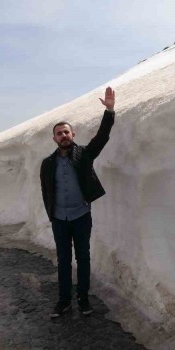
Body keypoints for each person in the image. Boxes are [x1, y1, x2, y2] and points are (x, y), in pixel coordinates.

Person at [40, 86, 116, 317]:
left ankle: (83, 298)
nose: (63, 135)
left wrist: (109, 111)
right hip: (60, 219)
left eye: (67, 132)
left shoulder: (83, 154)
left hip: (81, 215)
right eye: (59, 133)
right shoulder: (48, 163)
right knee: (63, 260)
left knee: (83, 258)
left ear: (73, 135)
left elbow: (101, 137)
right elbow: (46, 190)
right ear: (54, 138)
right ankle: (64, 301)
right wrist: (52, 214)